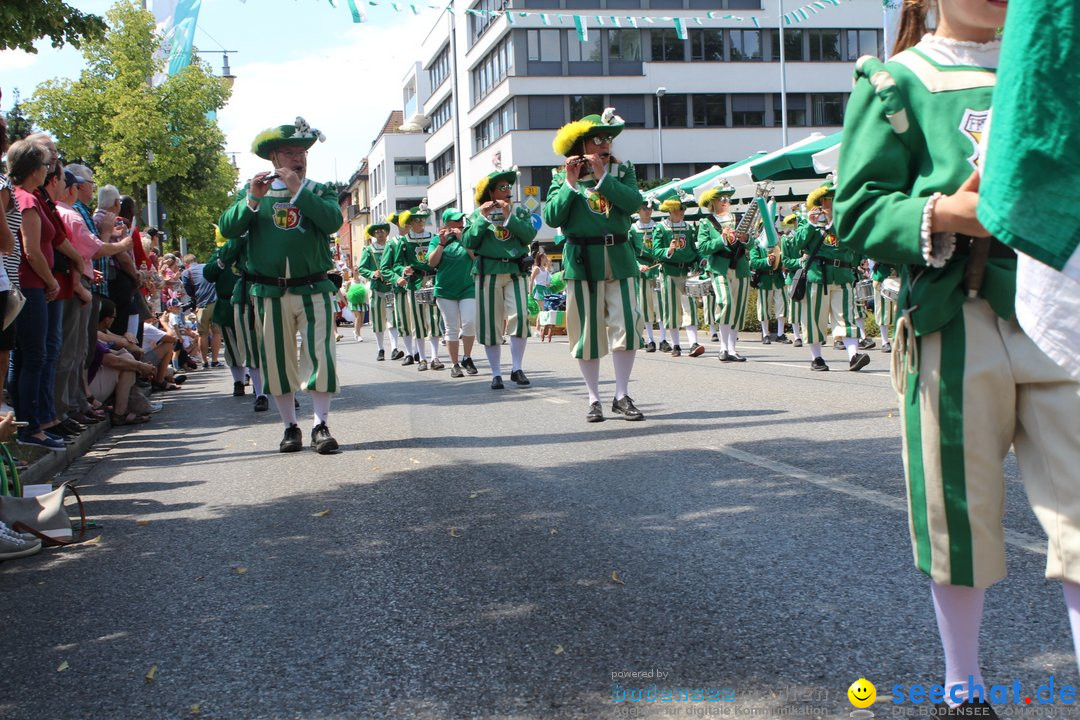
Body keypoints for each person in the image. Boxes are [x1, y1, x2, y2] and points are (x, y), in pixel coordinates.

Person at [834, 1, 1080, 714]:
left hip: (1059, 305)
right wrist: (944, 212)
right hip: (956, 312)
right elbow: (857, 211)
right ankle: (963, 687)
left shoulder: (1056, 67)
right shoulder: (895, 82)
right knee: (957, 513)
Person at [218, 117, 341, 454]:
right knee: (277, 359)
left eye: (302, 152)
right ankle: (290, 426)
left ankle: (321, 424)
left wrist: (299, 190)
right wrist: (252, 201)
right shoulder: (255, 191)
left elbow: (332, 221)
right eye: (289, 153)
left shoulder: (318, 190)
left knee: (321, 356)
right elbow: (228, 229)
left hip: (314, 287)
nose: (298, 158)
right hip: (269, 291)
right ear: (273, 158)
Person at [543, 108, 644, 422]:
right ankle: (593, 398)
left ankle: (621, 394)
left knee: (627, 324)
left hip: (619, 257)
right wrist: (571, 185)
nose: (605, 144)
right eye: (597, 139)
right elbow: (552, 218)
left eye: (608, 139)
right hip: (583, 260)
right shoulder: (561, 177)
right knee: (586, 332)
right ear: (581, 144)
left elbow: (633, 203)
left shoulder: (622, 172)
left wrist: (602, 177)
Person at [462, 168, 536, 389]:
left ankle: (517, 368)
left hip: (516, 271)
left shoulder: (519, 212)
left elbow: (529, 235)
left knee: (520, 317)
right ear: (490, 193)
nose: (507, 192)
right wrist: (483, 219)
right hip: (488, 272)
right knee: (490, 322)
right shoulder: (476, 215)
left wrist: (509, 217)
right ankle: (496, 373)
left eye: (508, 188)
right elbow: (468, 242)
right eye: (502, 188)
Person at [787, 180, 869, 372]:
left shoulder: (845, 223)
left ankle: (853, 356)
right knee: (816, 318)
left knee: (846, 318)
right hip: (817, 276)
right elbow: (796, 244)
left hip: (843, 276)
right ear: (822, 201)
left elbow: (856, 247)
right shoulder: (811, 222)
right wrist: (810, 224)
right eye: (832, 198)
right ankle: (817, 358)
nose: (836, 202)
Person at [696, 182, 750, 362]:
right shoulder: (706, 222)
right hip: (719, 267)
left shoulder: (739, 218)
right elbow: (703, 247)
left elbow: (753, 243)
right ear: (713, 202)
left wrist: (746, 238)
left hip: (740, 266)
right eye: (721, 198)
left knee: (738, 307)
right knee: (726, 303)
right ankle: (723, 347)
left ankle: (732, 349)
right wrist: (721, 239)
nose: (725, 201)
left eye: (727, 198)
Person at [388, 205, 443, 371]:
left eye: (422, 219)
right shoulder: (404, 241)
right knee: (417, 320)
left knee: (434, 318)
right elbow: (397, 263)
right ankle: (422, 359)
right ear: (410, 223)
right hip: (414, 282)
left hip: (432, 280)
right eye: (416, 220)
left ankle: (435, 357)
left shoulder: (433, 238)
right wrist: (402, 270)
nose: (420, 222)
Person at [427, 209, 478, 378]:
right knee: (452, 327)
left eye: (461, 219)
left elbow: (475, 257)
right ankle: (454, 364)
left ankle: (467, 357)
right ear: (447, 223)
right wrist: (442, 243)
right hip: (445, 290)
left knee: (470, 322)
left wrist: (462, 239)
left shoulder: (467, 238)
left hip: (467, 288)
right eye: (456, 221)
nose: (461, 223)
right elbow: (432, 262)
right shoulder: (437, 240)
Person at [651, 196, 702, 358]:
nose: (682, 212)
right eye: (680, 209)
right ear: (671, 210)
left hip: (687, 272)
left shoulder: (688, 227)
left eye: (684, 209)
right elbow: (656, 251)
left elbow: (694, 249)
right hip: (669, 272)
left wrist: (701, 259)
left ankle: (693, 342)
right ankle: (676, 345)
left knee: (690, 307)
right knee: (671, 309)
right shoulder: (661, 228)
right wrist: (669, 250)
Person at [356, 223, 399, 361]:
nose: (380, 233)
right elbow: (362, 268)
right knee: (378, 320)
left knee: (392, 319)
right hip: (376, 289)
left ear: (387, 233)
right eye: (377, 231)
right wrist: (373, 273)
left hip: (391, 288)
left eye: (383, 231)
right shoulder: (369, 250)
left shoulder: (392, 246)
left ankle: (394, 348)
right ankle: (380, 349)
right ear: (374, 234)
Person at [629, 199, 663, 352]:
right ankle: (650, 339)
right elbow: (629, 252)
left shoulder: (659, 227)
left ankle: (663, 339)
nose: (647, 211)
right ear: (638, 210)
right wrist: (638, 265)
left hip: (658, 268)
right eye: (644, 208)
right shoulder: (632, 229)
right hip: (642, 270)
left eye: (649, 208)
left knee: (660, 305)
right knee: (645, 305)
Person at [181, 252, 221, 368]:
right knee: (216, 333)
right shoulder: (207, 267)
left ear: (186, 263)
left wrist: (196, 299)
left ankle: (204, 361)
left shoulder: (187, 272)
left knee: (202, 334)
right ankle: (215, 360)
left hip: (202, 305)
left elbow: (189, 291)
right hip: (216, 303)